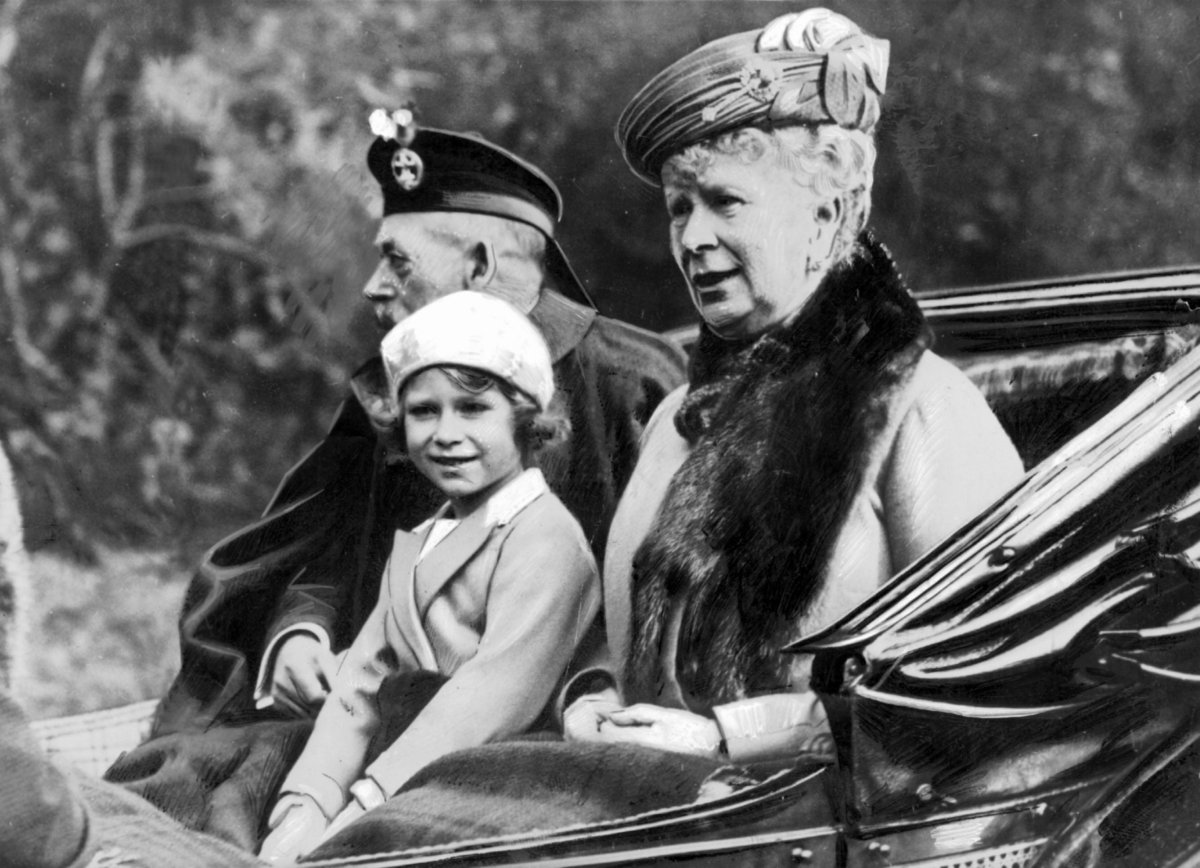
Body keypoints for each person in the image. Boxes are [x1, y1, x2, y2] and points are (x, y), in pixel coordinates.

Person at [561, 7, 1025, 766]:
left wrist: (730, 736)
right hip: (649, 810)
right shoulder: (678, 416)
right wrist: (590, 699)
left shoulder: (917, 406)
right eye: (679, 209)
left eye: (725, 201)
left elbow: (980, 672)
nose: (693, 239)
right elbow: (608, 636)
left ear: (829, 211)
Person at [149, 113, 687, 735]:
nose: (374, 288)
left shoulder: (638, 385)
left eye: (397, 263)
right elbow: (332, 547)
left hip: (567, 724)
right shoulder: (392, 388)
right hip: (372, 717)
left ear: (479, 265)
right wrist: (299, 632)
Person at [256, 292, 600, 863]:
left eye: (471, 409)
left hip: (498, 775)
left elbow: (485, 699)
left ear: (524, 420)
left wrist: (360, 808)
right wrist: (307, 806)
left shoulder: (544, 538)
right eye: (423, 411)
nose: (444, 433)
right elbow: (358, 690)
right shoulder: (421, 540)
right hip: (404, 768)